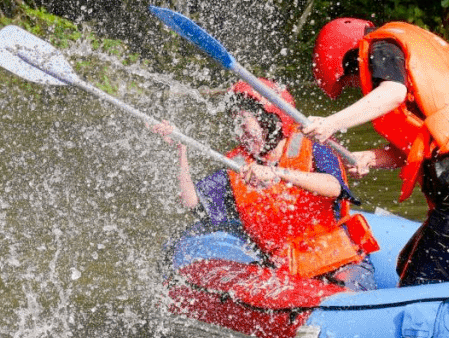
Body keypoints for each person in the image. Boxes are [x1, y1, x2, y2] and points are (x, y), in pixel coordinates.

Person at [306, 17, 449, 286]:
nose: (357, 88)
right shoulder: (409, 53)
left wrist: (332, 122)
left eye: (349, 82)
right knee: (407, 263)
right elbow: (427, 143)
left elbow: (393, 92)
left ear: (348, 56)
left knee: (419, 286)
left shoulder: (380, 46)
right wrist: (370, 157)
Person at [157, 80, 378, 290]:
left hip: (340, 262)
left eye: (244, 121)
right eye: (235, 123)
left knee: (347, 294)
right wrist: (181, 150)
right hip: (285, 273)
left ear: (271, 119)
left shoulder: (313, 144)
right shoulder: (238, 165)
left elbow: (334, 187)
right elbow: (191, 202)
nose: (240, 131)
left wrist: (277, 173)